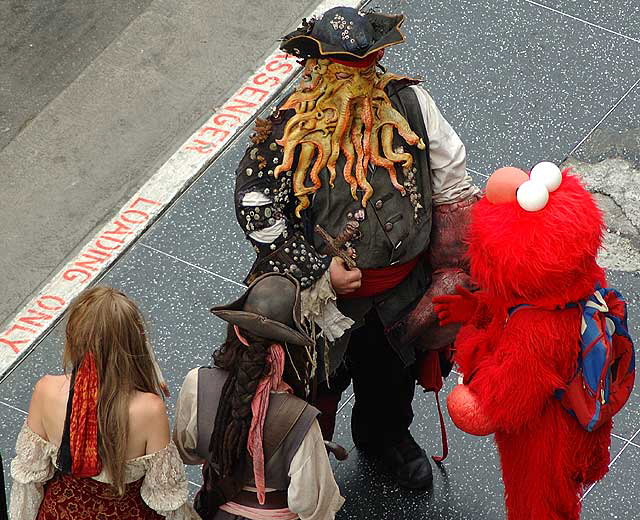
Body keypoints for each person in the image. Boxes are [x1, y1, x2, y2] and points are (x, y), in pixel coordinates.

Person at [233, 6, 479, 489]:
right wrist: (319, 270)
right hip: (321, 302)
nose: (356, 81)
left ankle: (383, 437)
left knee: (392, 376)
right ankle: (310, 455)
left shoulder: (410, 104)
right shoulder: (284, 130)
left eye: (365, 67)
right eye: (343, 69)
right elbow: (255, 210)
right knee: (315, 383)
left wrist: (451, 266)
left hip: (402, 291)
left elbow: (452, 183)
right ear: (316, 68)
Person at [9, 286, 195, 520]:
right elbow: (167, 498)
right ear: (136, 344)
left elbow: (29, 482)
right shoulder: (150, 410)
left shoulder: (46, 390)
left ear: (73, 338)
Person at [173, 273, 344, 520]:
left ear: (234, 332)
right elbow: (312, 505)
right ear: (291, 353)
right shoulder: (301, 420)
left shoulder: (196, 382)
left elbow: (187, 452)